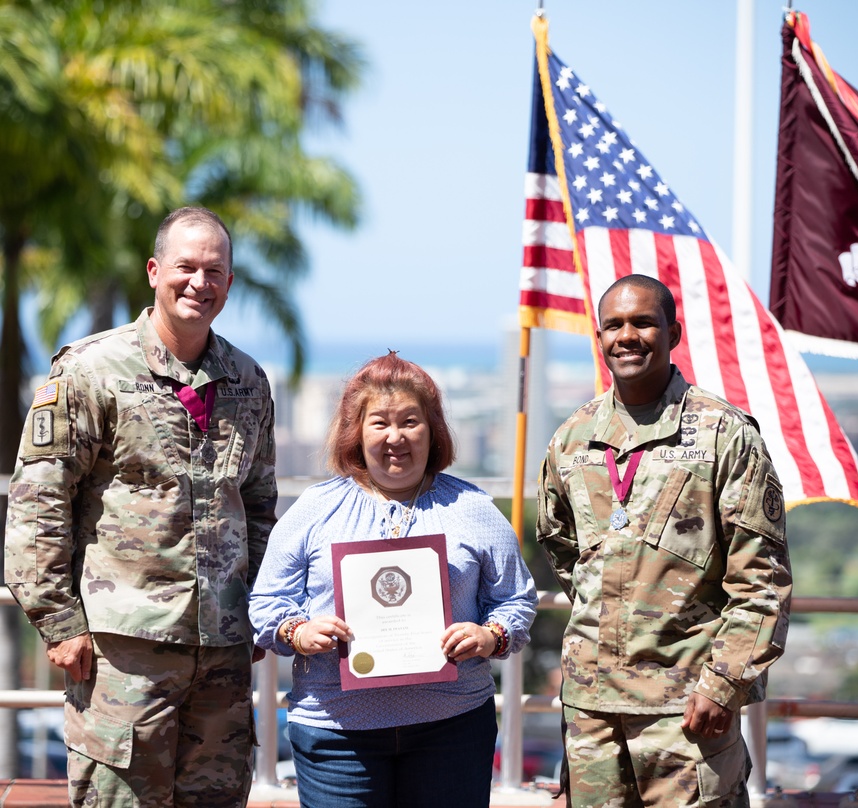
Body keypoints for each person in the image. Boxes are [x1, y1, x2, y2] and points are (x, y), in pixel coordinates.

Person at [4, 207, 278, 807]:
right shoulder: (91, 370)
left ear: (229, 285)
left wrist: (260, 606)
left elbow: (259, 506)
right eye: (185, 267)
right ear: (155, 271)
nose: (199, 283)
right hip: (122, 652)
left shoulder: (249, 381)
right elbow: (37, 502)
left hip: (223, 652)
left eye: (214, 271)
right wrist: (59, 622)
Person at [536, 275, 792, 808]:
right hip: (592, 713)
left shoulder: (724, 434)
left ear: (673, 332)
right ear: (600, 337)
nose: (627, 335)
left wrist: (723, 683)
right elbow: (564, 551)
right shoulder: (572, 438)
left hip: (689, 712)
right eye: (614, 325)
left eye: (643, 322)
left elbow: (763, 581)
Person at [249, 351, 537, 808]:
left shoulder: (474, 508)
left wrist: (490, 635)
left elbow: (516, 600)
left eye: (410, 421)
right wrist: (298, 631)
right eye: (379, 423)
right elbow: (266, 603)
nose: (395, 437)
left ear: (433, 429)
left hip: (453, 727)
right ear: (356, 433)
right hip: (337, 735)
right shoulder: (313, 509)